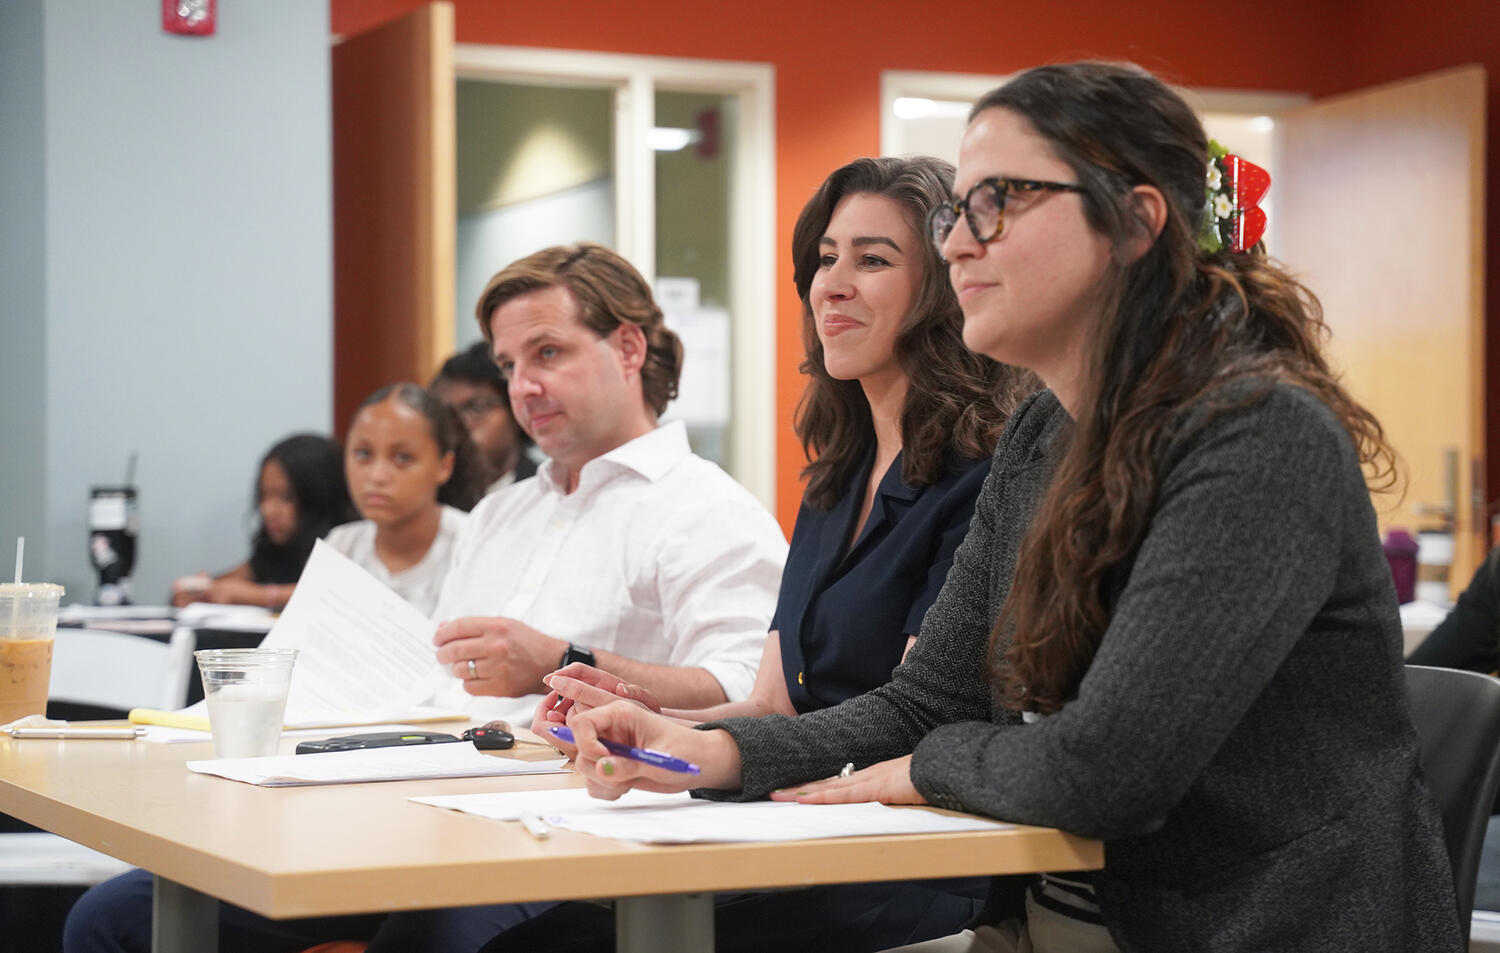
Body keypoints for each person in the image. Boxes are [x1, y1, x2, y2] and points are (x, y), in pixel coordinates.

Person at [539, 62, 1462, 953]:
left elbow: (1106, 771)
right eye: (954, 211)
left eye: (999, 203)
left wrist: (930, 764)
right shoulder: (1041, 436)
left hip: (1248, 930)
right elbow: (927, 699)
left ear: (1136, 224)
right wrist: (712, 754)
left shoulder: (1257, 434)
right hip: (1069, 916)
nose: (955, 243)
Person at [64, 242, 787, 953]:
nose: (523, 386)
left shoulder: (705, 509)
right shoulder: (503, 514)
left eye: (547, 353)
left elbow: (746, 698)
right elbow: (445, 681)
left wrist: (561, 662)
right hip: (433, 801)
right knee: (117, 914)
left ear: (628, 349)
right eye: (509, 365)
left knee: (427, 933)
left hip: (577, 833)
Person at [524, 156, 1033, 952]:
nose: (831, 284)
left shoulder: (985, 476)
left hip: (917, 849)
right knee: (554, 919)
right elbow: (773, 704)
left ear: (943, 286)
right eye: (826, 258)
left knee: (560, 939)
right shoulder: (837, 477)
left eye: (872, 259)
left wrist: (693, 749)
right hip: (797, 816)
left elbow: (912, 716)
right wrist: (636, 720)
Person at [325, 382, 483, 616]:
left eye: (402, 458)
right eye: (363, 454)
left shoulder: (474, 544)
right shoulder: (342, 546)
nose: (377, 476)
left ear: (444, 466)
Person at [170, 433, 354, 609]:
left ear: (318, 496)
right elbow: (233, 582)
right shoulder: (277, 546)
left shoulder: (350, 539)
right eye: (264, 495)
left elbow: (334, 594)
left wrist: (255, 596)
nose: (267, 510)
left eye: (285, 497)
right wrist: (202, 591)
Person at [432, 341, 537, 494]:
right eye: (445, 413)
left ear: (514, 411)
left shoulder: (548, 491)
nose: (458, 423)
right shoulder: (429, 498)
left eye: (476, 408)